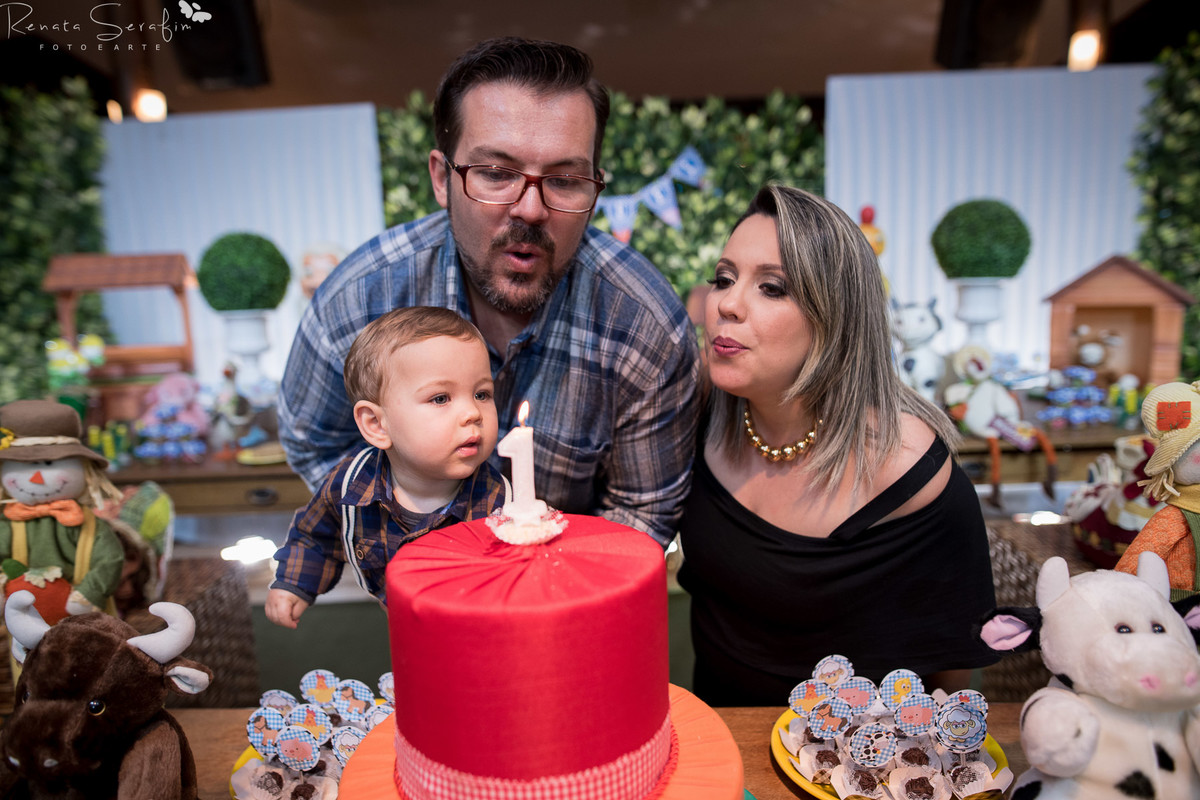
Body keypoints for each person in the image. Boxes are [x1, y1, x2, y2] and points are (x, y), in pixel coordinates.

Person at [278, 37, 699, 547]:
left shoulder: (645, 324)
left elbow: (643, 510)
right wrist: (409, 547)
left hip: (573, 604)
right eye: (497, 174)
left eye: (565, 180)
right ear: (441, 178)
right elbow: (314, 443)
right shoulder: (360, 297)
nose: (530, 209)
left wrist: (532, 590)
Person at [677, 185, 998, 706]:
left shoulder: (909, 473)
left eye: (772, 288)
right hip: (718, 743)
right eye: (724, 278)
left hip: (846, 772)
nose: (726, 305)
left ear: (837, 318)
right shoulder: (702, 411)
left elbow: (949, 685)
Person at [267, 307, 505, 628]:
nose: (472, 413)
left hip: (478, 630)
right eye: (440, 398)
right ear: (377, 424)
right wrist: (293, 583)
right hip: (401, 625)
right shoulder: (350, 484)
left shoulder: (500, 504)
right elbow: (315, 538)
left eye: (481, 394)